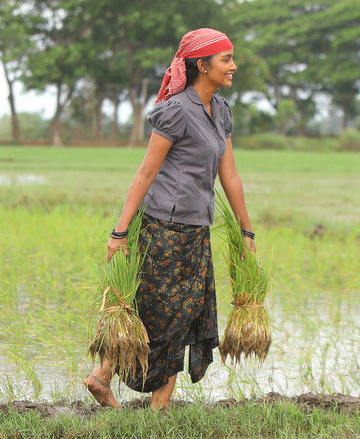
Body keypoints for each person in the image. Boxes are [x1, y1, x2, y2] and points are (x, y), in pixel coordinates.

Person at [84, 28, 257, 410]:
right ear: (202, 65)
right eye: (226, 59)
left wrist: (246, 230)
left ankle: (117, 384)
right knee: (163, 313)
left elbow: (230, 174)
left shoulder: (221, 110)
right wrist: (120, 231)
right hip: (162, 228)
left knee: (187, 312)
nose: (234, 65)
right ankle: (137, 395)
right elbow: (145, 173)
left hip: (196, 230)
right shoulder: (176, 110)